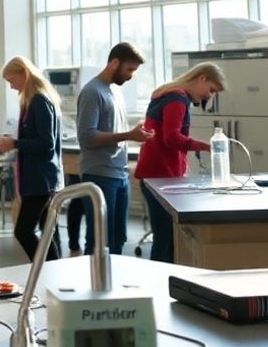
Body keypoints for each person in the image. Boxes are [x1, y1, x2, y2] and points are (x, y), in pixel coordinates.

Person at [131, 62, 226, 263]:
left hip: (155, 174)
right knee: (166, 239)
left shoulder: (167, 94)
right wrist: (206, 146)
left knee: (164, 237)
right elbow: (171, 138)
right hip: (161, 176)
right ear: (202, 78)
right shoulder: (178, 99)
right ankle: (163, 285)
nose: (209, 96)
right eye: (211, 90)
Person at [76, 42, 154, 256]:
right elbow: (87, 137)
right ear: (114, 63)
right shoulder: (92, 92)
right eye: (129, 69)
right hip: (99, 175)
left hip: (118, 174)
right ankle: (92, 285)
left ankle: (114, 284)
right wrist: (129, 135)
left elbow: (113, 131)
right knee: (100, 239)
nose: (131, 76)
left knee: (118, 237)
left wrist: (134, 132)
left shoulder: (114, 91)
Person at [0, 56, 63, 262]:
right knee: (47, 231)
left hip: (41, 181)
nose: (12, 87)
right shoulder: (32, 101)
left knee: (23, 231)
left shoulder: (39, 101)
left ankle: (44, 266)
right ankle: (51, 268)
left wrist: (15, 144)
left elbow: (46, 143)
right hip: (39, 178)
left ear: (23, 73)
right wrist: (14, 141)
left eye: (11, 80)